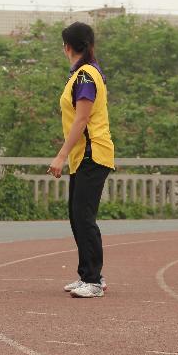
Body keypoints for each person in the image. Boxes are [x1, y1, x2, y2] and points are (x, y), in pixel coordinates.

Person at [48, 22, 115, 299]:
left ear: (66, 47)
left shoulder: (86, 76)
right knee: (77, 216)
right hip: (83, 155)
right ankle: (87, 274)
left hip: (92, 152)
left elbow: (82, 119)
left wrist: (60, 155)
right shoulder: (81, 74)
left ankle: (94, 280)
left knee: (84, 217)